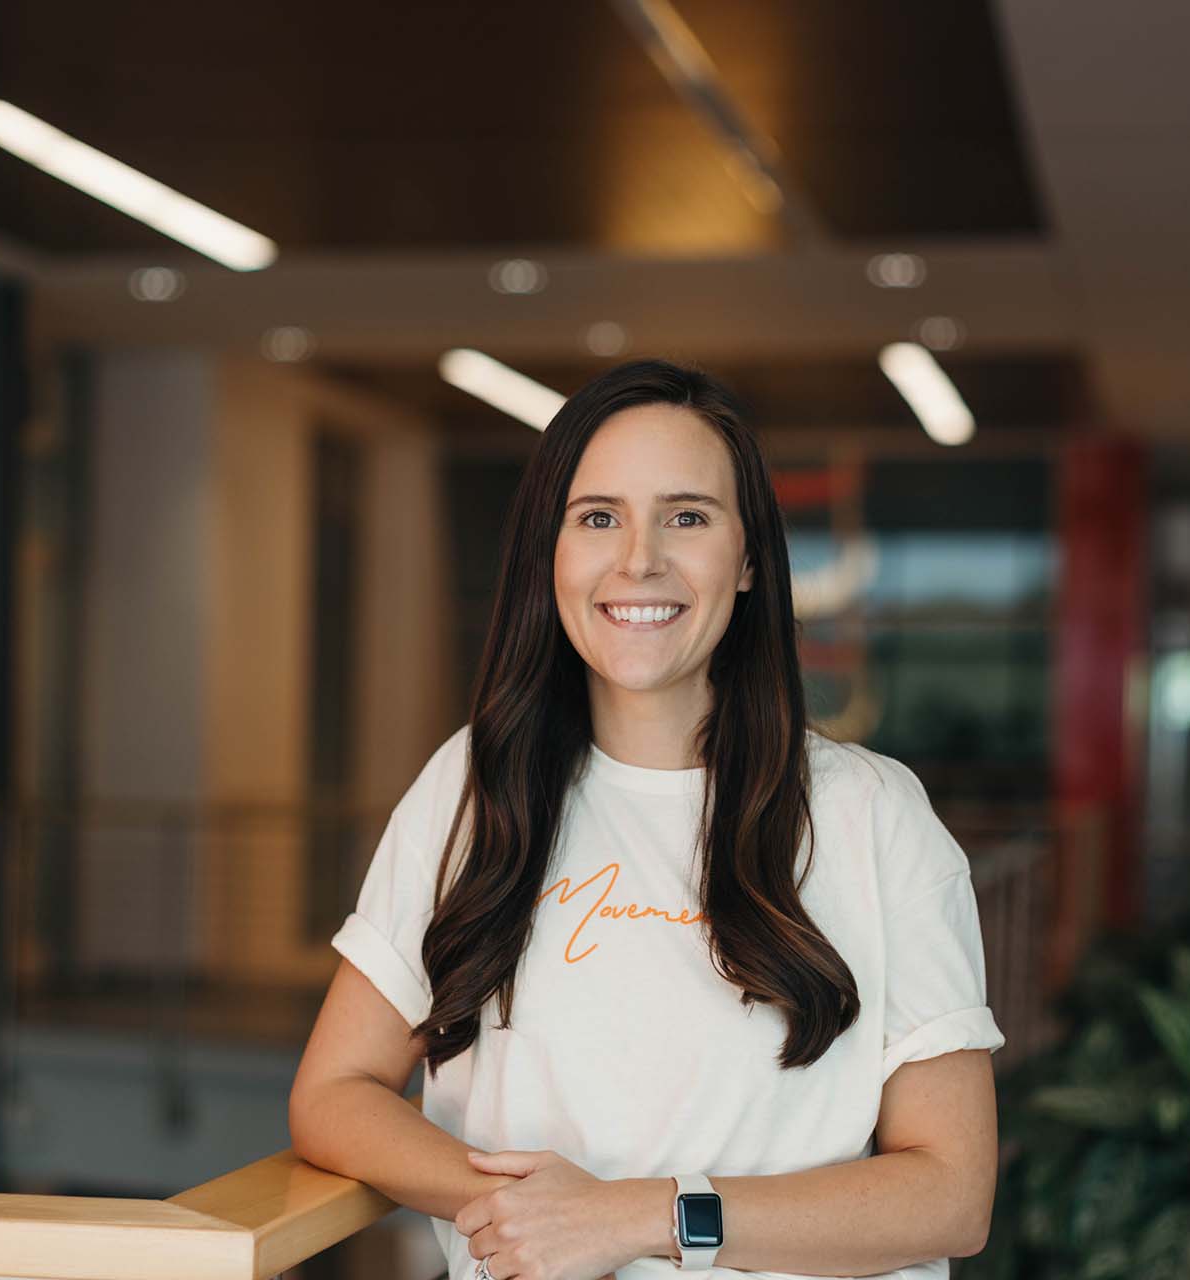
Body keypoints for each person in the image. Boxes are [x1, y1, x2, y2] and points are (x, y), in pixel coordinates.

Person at [288, 359, 1002, 1280]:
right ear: (552, 552)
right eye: (598, 518)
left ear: (747, 560)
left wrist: (638, 1216)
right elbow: (334, 1092)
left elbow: (951, 1194)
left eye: (688, 517)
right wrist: (532, 1214)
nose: (639, 559)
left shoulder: (872, 815)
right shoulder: (474, 785)